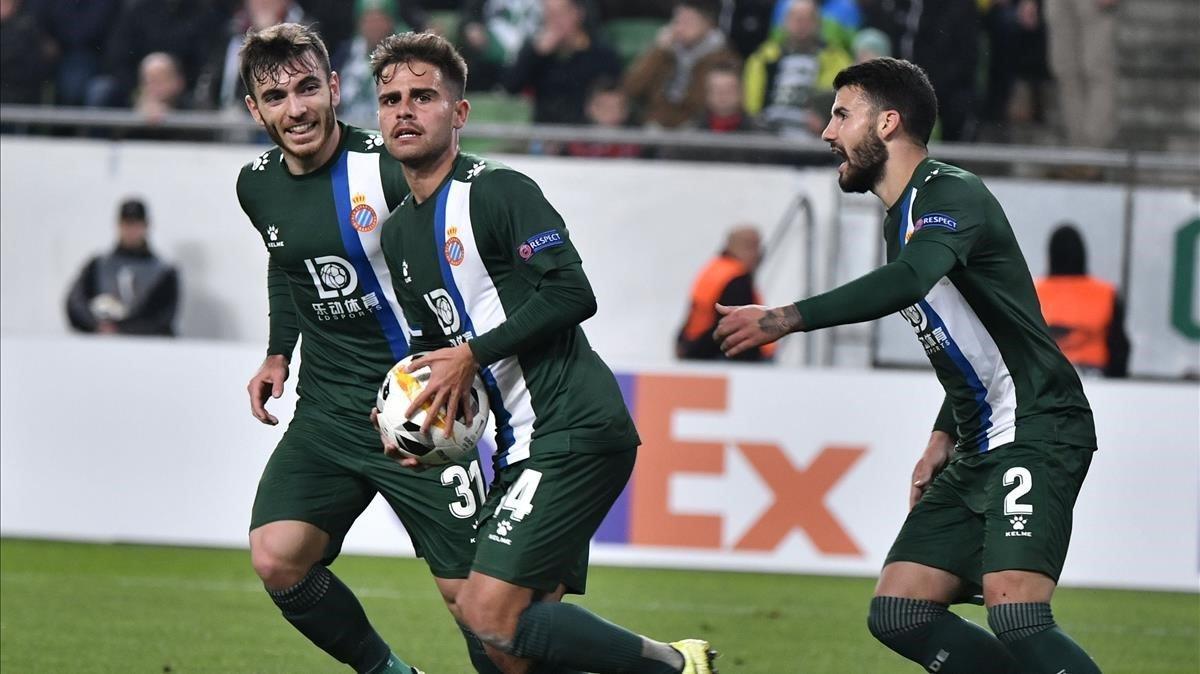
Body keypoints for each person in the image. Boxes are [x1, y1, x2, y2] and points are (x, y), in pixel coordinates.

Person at [715, 58, 1101, 674]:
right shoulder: (904, 219)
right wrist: (942, 435)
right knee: (901, 609)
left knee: (1017, 613)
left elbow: (909, 280)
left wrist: (787, 316)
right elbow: (973, 343)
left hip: (1038, 425)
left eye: (842, 114)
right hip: (979, 440)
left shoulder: (951, 192)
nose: (827, 131)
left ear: (888, 123)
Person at [369, 30, 718, 674]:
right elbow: (431, 350)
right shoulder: (401, 234)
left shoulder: (500, 191)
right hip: (517, 444)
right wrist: (409, 416)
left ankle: (672, 665)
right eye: (390, 99)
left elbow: (572, 292)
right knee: (505, 652)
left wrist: (472, 354)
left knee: (487, 613)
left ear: (460, 112)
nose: (404, 111)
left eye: (424, 96)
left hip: (573, 426)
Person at [234, 22, 489, 674]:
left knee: (480, 603)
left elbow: (467, 253)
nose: (296, 109)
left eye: (307, 88)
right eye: (276, 97)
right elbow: (286, 257)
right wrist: (277, 351)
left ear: (334, 87)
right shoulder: (256, 184)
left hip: (421, 411)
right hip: (328, 411)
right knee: (277, 555)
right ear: (253, 110)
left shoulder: (391, 166)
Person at [66, 198, 180, 337]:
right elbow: (76, 304)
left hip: (147, 348)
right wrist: (96, 325)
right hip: (103, 345)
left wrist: (121, 328)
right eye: (127, 223)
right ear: (118, 225)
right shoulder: (97, 266)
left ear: (146, 225)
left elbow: (161, 317)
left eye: (136, 224)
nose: (131, 230)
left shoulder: (164, 273)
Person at [500, 0, 623, 125]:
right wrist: (535, 54)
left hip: (587, 133)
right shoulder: (537, 53)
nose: (554, 22)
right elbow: (510, 87)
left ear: (578, 14)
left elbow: (614, 95)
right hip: (546, 131)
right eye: (549, 15)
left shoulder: (601, 54)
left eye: (560, 14)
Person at [622, 0, 740, 128]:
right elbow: (632, 88)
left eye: (689, 21)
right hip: (656, 123)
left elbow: (708, 102)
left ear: (707, 24)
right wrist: (658, 51)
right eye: (678, 21)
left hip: (698, 125)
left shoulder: (721, 56)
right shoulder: (664, 51)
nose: (681, 27)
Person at [1035, 223, 1130, 378]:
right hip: (1098, 380)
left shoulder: (1032, 292)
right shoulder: (1107, 294)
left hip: (1043, 377)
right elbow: (1119, 348)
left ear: (1050, 255)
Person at [743, 0, 850, 136]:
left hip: (817, 133)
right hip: (769, 131)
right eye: (796, 18)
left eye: (807, 19)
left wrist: (824, 116)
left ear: (818, 24)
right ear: (784, 23)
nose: (801, 24)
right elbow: (752, 105)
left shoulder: (836, 59)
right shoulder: (763, 57)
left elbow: (841, 100)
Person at [677, 226, 773, 361]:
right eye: (754, 247)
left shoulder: (714, 268)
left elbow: (695, 314)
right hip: (721, 358)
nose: (759, 255)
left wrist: (685, 347)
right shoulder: (737, 278)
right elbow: (734, 327)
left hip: (695, 349)